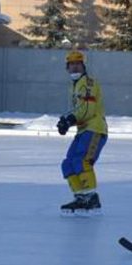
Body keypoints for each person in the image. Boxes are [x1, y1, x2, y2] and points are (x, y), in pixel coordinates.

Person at [56, 50, 107, 216]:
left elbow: (88, 109)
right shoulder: (75, 86)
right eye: (71, 65)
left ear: (83, 66)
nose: (75, 68)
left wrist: (70, 119)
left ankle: (91, 197)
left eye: (78, 64)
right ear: (67, 68)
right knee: (68, 163)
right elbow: (78, 109)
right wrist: (66, 120)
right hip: (83, 129)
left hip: (95, 128)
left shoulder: (88, 83)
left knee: (82, 161)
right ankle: (80, 197)